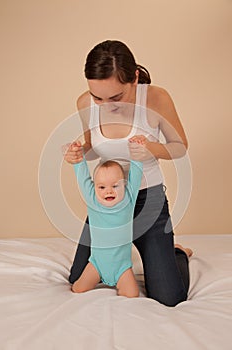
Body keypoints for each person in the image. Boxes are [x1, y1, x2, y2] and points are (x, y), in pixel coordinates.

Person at [65, 40, 193, 307]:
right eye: (97, 97)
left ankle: (175, 253)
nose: (105, 105)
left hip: (148, 202)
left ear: (134, 78)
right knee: (77, 277)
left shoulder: (157, 98)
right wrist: (78, 151)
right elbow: (91, 148)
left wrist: (152, 150)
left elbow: (180, 146)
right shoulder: (84, 103)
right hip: (107, 205)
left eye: (115, 97)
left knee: (169, 297)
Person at [71, 142, 143, 297]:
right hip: (96, 264)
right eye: (102, 187)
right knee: (78, 289)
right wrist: (78, 156)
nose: (108, 191)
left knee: (132, 294)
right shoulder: (92, 199)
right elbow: (82, 176)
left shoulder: (129, 199)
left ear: (124, 185)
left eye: (115, 186)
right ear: (94, 187)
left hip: (122, 267)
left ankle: (179, 251)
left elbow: (136, 173)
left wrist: (137, 153)